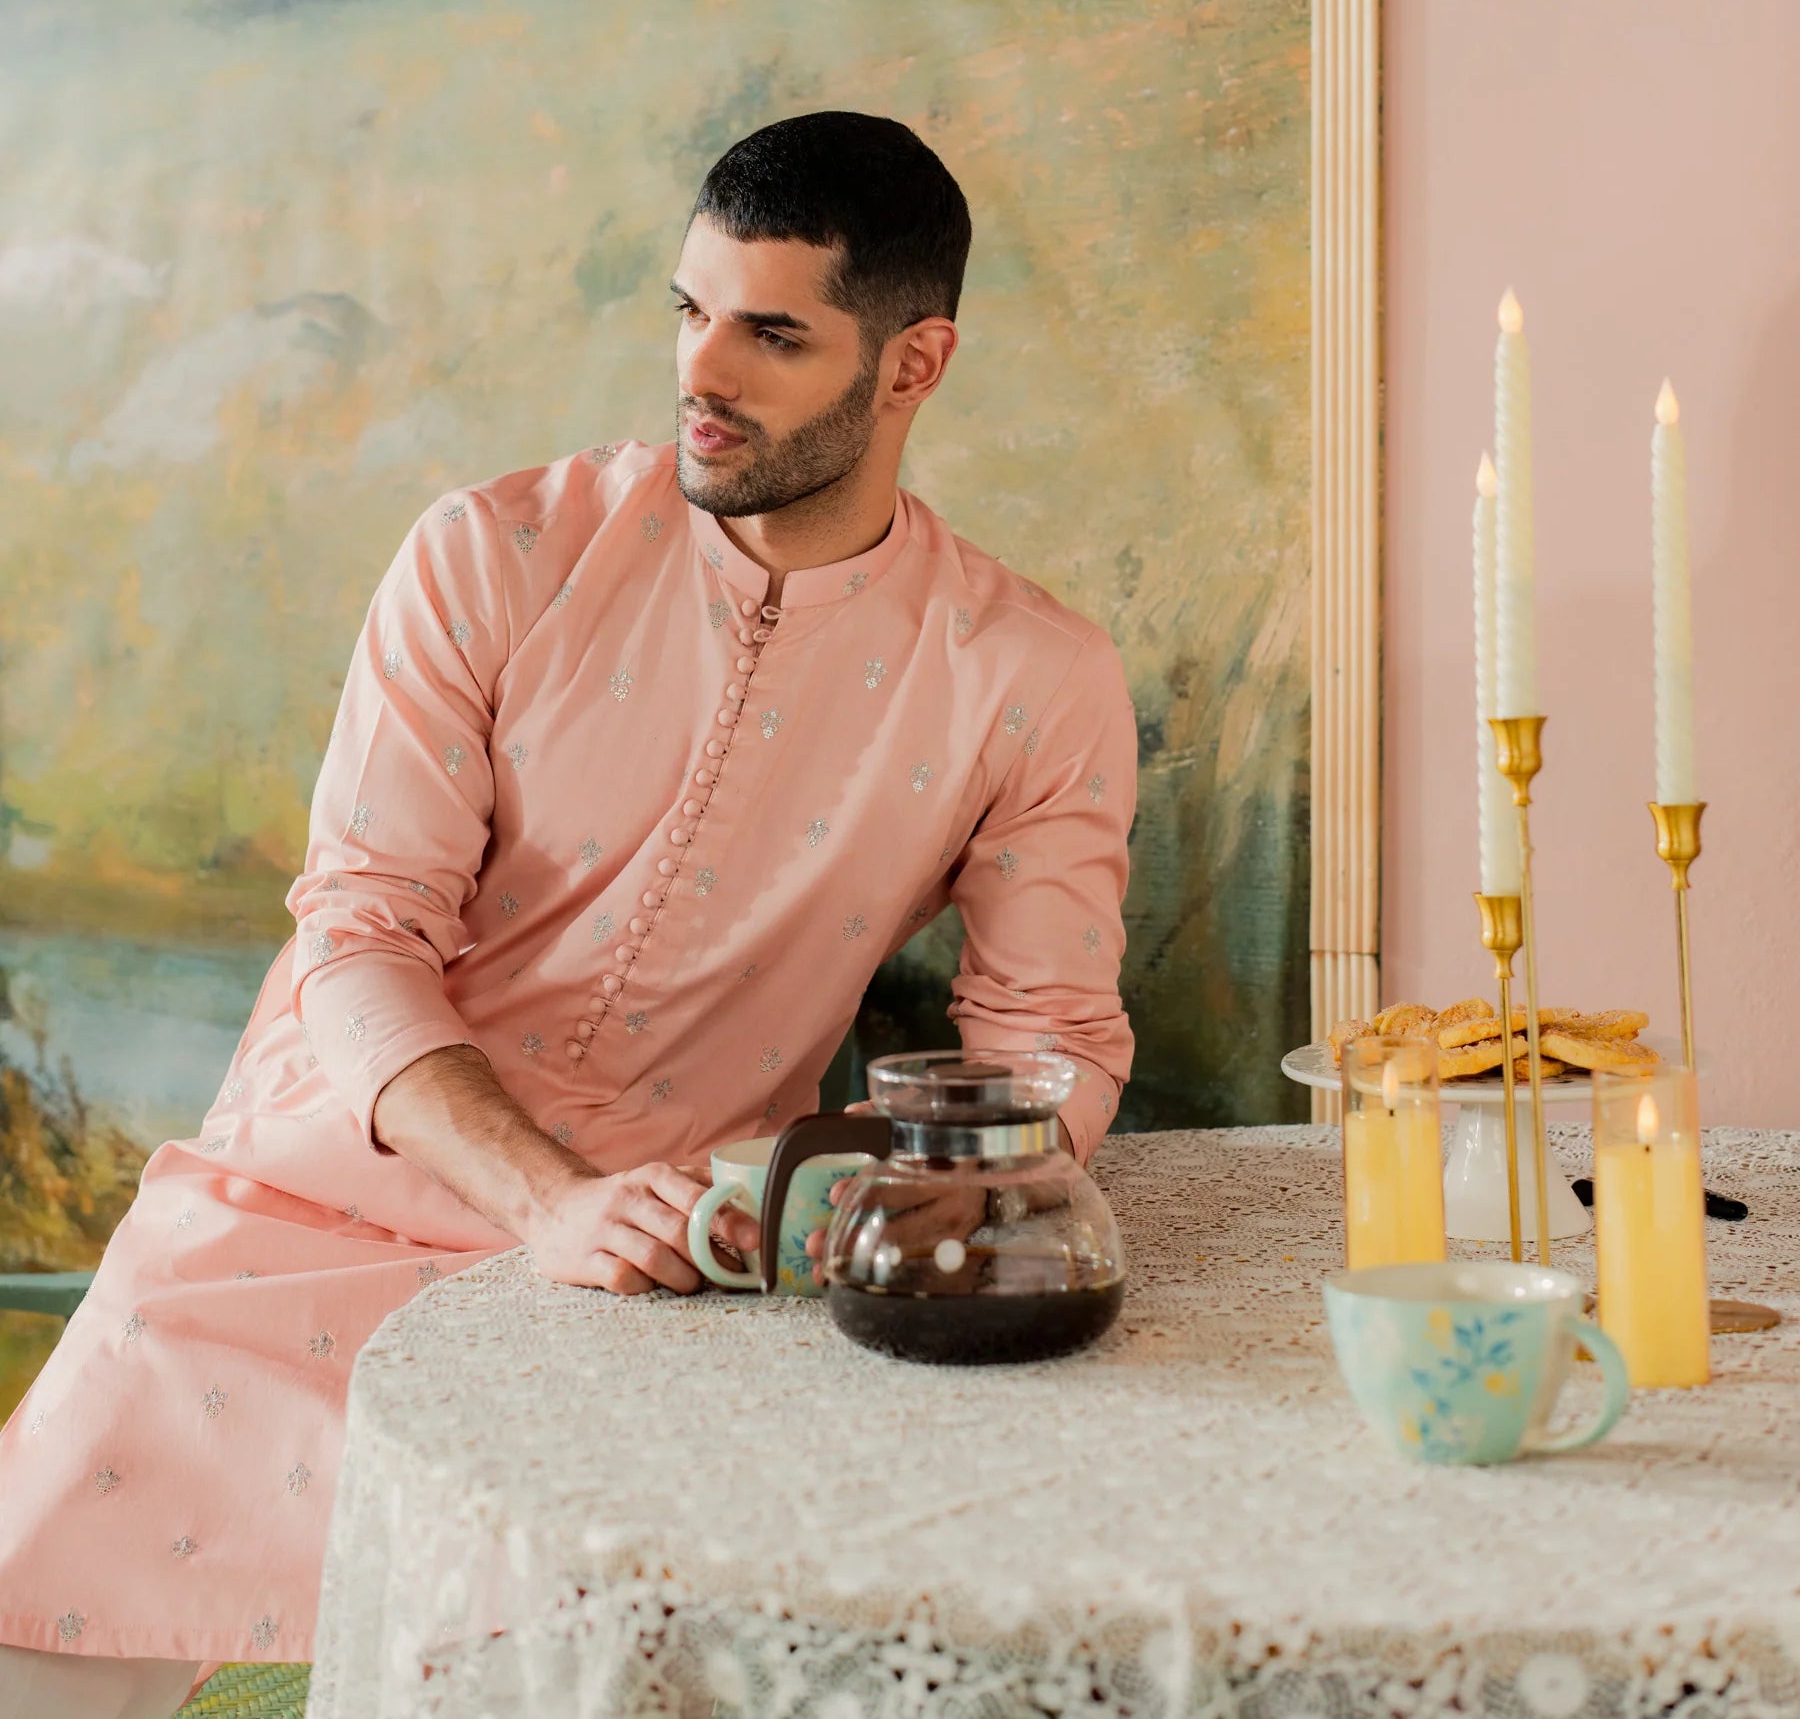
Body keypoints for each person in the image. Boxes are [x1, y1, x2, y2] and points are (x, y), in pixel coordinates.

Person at [0, 112, 1137, 1714]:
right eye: (689, 310)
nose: (702, 372)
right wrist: (542, 1200)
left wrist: (862, 1210)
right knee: (31, 1629)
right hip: (292, 1215)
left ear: (913, 365)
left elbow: (1047, 1041)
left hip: (656, 1274)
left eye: (771, 334)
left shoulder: (1030, 675)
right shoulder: (493, 554)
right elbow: (359, 932)